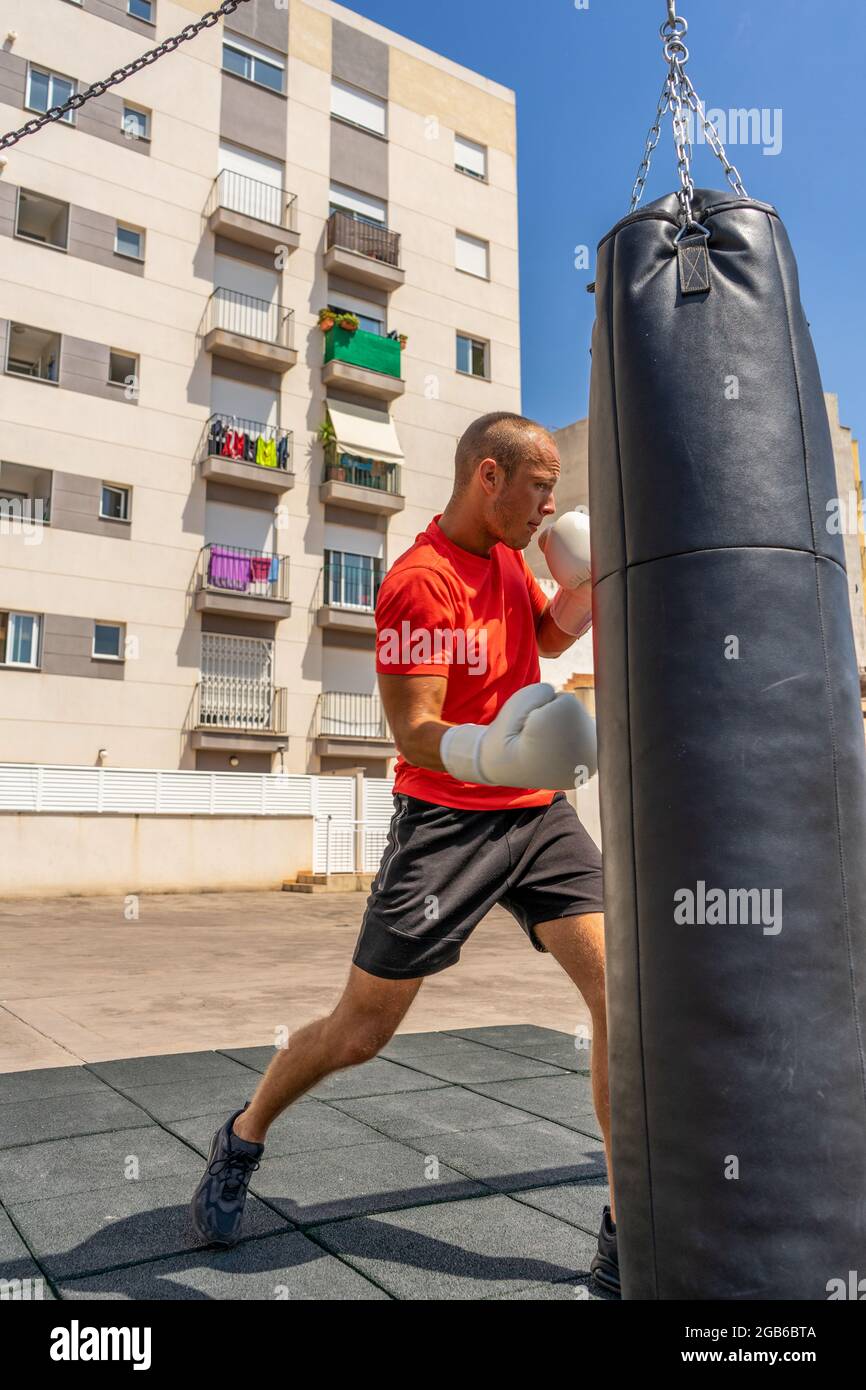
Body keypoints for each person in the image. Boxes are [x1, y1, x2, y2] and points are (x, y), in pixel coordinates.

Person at [190, 411, 619, 1295]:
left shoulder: (508, 557)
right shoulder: (417, 585)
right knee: (361, 1032)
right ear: (487, 479)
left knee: (626, 992)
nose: (550, 504)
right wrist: (495, 749)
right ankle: (243, 1135)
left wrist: (586, 590)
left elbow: (542, 640)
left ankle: (624, 1218)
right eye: (539, 486)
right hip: (446, 822)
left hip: (537, 815)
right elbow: (415, 731)